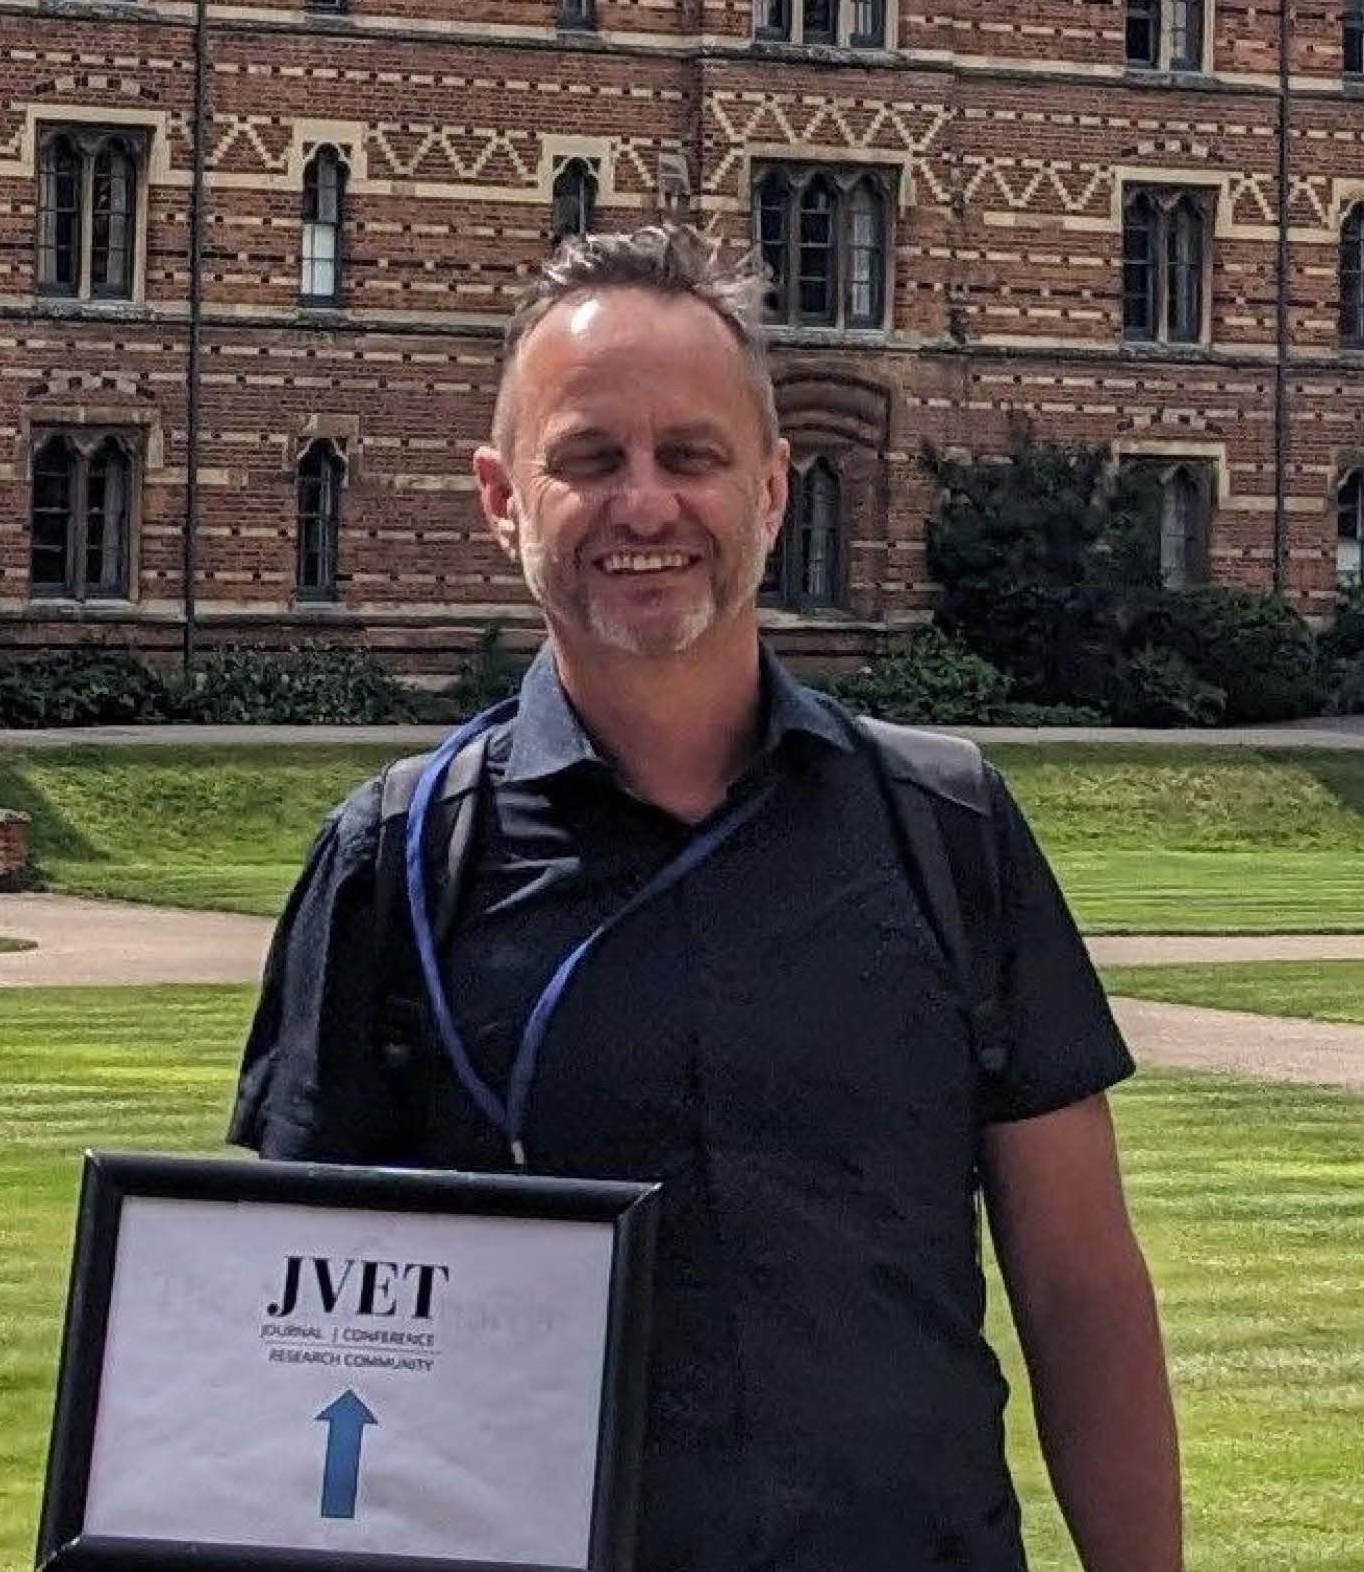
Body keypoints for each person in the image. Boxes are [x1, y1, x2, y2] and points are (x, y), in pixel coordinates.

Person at [231, 225, 1182, 1572]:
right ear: (502, 497)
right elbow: (300, 1332)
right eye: (588, 459)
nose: (644, 507)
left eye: (690, 457)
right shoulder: (394, 861)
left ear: (773, 491)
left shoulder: (944, 829)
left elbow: (1080, 1286)